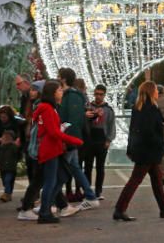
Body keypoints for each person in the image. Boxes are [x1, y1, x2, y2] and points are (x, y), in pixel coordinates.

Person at [114, 81, 164, 221]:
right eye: (155, 90)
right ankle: (119, 209)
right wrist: (161, 144)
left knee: (156, 179)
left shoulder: (139, 107)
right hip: (148, 151)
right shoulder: (150, 109)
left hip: (143, 149)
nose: (157, 92)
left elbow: (134, 130)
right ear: (151, 92)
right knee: (135, 180)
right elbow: (150, 131)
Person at [31, 80, 84, 224]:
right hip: (50, 150)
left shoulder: (49, 108)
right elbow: (53, 133)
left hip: (53, 149)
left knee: (61, 177)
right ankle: (45, 212)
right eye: (59, 90)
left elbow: (51, 130)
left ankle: (46, 209)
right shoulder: (48, 109)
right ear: (53, 93)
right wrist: (74, 140)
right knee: (51, 181)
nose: (62, 92)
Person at [56, 69, 100, 210]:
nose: (57, 78)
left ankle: (50, 201)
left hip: (68, 139)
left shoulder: (73, 96)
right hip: (68, 138)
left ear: (63, 79)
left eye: (58, 76)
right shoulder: (68, 95)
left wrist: (63, 132)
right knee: (74, 168)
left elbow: (73, 121)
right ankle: (90, 196)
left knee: (60, 171)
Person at [83, 84, 115, 200]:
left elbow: (111, 125)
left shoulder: (108, 110)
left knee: (100, 167)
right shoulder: (88, 107)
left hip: (102, 139)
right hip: (90, 138)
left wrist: (108, 140)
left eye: (101, 94)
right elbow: (84, 122)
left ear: (104, 95)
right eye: (96, 94)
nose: (98, 96)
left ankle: (98, 191)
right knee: (88, 166)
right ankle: (87, 191)